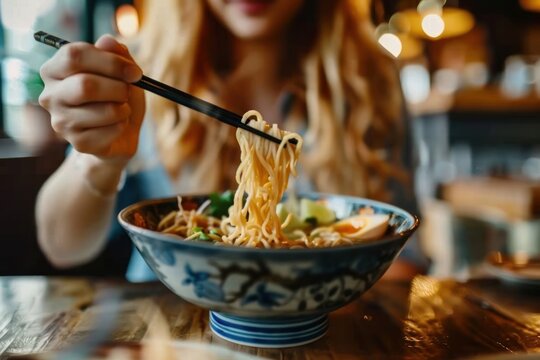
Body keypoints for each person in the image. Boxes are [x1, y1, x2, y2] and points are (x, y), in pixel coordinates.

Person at [36, 0, 427, 281]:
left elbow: (403, 251)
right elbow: (62, 247)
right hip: (170, 328)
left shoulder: (369, 78)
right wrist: (99, 161)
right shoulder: (139, 72)